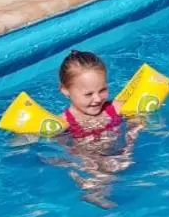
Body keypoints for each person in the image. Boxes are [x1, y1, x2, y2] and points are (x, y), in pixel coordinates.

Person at [53, 49, 140, 207]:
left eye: (102, 90)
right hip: (86, 163)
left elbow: (137, 122)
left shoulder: (116, 108)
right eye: (88, 94)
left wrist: (130, 143)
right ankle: (93, 194)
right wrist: (85, 160)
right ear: (65, 90)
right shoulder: (63, 122)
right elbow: (62, 149)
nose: (97, 99)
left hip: (120, 155)